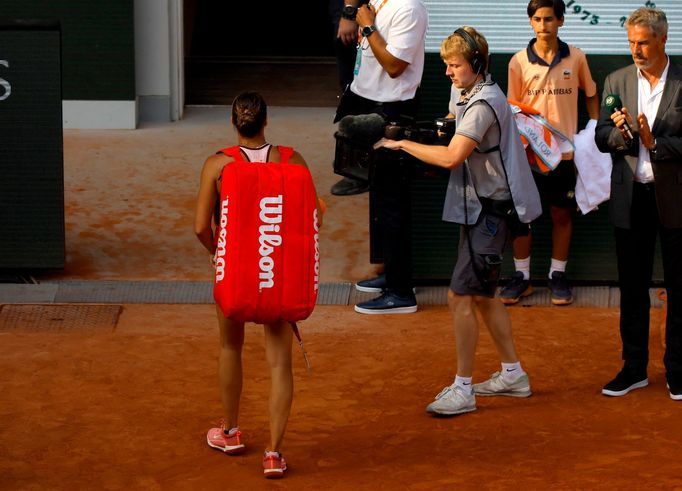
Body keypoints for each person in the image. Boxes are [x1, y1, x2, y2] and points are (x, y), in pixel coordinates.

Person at [375, 27, 542, 415]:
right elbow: (452, 119)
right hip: (479, 208)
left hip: (491, 214)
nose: (448, 72)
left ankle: (463, 389)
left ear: (478, 66)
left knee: (460, 296)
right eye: (446, 65)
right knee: (484, 297)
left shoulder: (485, 103)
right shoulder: (465, 91)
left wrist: (402, 143)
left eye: (455, 65)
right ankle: (513, 375)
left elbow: (452, 157)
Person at [194, 91, 323, 478]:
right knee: (279, 361)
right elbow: (313, 214)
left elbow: (201, 226)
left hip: (234, 274)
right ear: (266, 122)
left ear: (234, 124)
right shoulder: (293, 159)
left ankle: (230, 432)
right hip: (278, 274)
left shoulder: (216, 164)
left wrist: (221, 252)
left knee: (229, 346)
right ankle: (273, 454)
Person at [595, 7, 682, 401]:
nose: (636, 50)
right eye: (631, 42)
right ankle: (634, 369)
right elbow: (600, 136)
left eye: (643, 42)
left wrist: (655, 144)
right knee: (632, 289)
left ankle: (678, 372)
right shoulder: (616, 79)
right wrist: (624, 136)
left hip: (676, 200)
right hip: (631, 199)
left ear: (663, 39)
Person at [499, 0, 599, 306]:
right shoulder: (518, 62)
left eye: (550, 19)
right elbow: (513, 109)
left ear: (561, 21)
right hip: (528, 156)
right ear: (531, 22)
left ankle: (558, 274)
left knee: (561, 214)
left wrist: (592, 130)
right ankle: (522, 277)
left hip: (564, 157)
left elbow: (592, 95)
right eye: (538, 19)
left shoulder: (577, 57)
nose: (544, 25)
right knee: (521, 217)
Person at [334, 0, 428, 314]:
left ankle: (401, 293)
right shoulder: (378, 0)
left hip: (393, 112)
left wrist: (369, 25)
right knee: (382, 199)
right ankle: (394, 276)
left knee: (392, 202)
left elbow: (394, 65)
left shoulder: (409, 8)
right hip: (371, 104)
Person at [329, 0, 370, 196]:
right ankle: (356, 163)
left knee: (355, 88)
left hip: (355, 9)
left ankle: (359, 169)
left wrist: (349, 12)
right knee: (355, 87)